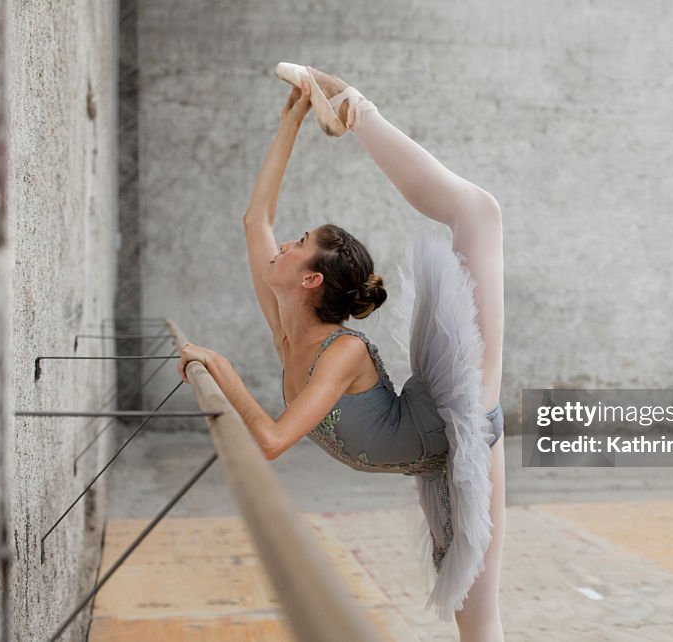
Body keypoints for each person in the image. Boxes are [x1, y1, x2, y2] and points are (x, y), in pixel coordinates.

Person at [177, 63, 506, 641]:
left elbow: (274, 441)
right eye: (297, 241)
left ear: (309, 282)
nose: (281, 245)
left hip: (459, 412)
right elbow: (256, 218)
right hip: (434, 451)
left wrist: (221, 368)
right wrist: (291, 124)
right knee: (474, 621)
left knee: (479, 212)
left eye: (298, 244)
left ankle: (358, 108)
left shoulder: (343, 353)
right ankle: (341, 106)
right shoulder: (287, 333)